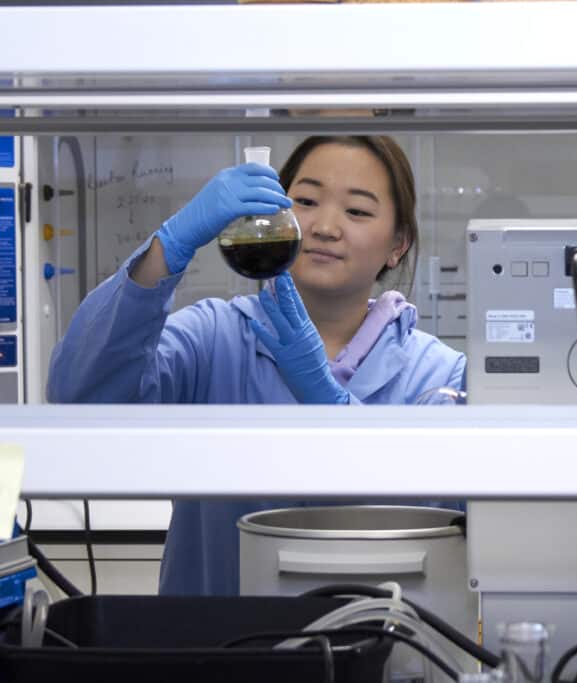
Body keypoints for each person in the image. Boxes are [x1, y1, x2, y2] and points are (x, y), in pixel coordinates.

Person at [47, 136, 465, 595]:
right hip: (222, 652)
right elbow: (82, 395)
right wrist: (169, 245)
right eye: (304, 201)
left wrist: (331, 406)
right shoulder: (212, 339)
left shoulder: (439, 376)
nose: (325, 226)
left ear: (398, 244)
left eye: (358, 211)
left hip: (380, 652)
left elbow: (443, 522)